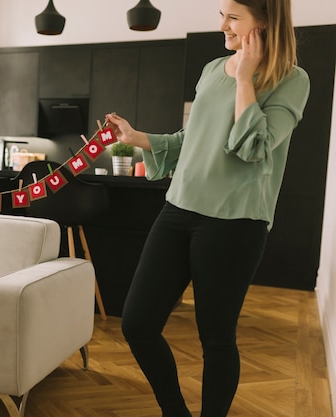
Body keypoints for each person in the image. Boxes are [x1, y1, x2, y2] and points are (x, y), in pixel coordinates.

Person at [105, 0, 309, 415]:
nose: (223, 25)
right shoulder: (211, 70)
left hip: (234, 222)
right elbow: (191, 138)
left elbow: (254, 146)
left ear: (265, 23)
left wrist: (246, 78)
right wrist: (136, 136)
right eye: (223, 15)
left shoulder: (292, 79)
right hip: (179, 209)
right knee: (137, 324)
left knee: (216, 339)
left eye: (233, 17)